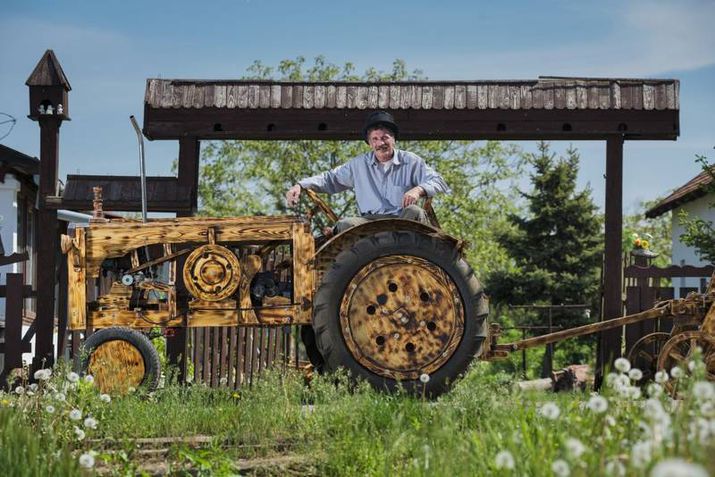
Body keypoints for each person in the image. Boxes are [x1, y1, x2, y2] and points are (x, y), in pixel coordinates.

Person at [285, 111, 450, 234]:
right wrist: (300, 185)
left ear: (393, 139)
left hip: (402, 219)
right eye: (375, 139)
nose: (381, 143)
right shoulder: (358, 165)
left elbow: (439, 181)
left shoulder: (412, 160)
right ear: (369, 143)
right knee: (344, 225)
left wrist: (418, 189)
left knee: (415, 211)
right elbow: (329, 179)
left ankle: (419, 260)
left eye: (385, 138)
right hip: (370, 221)